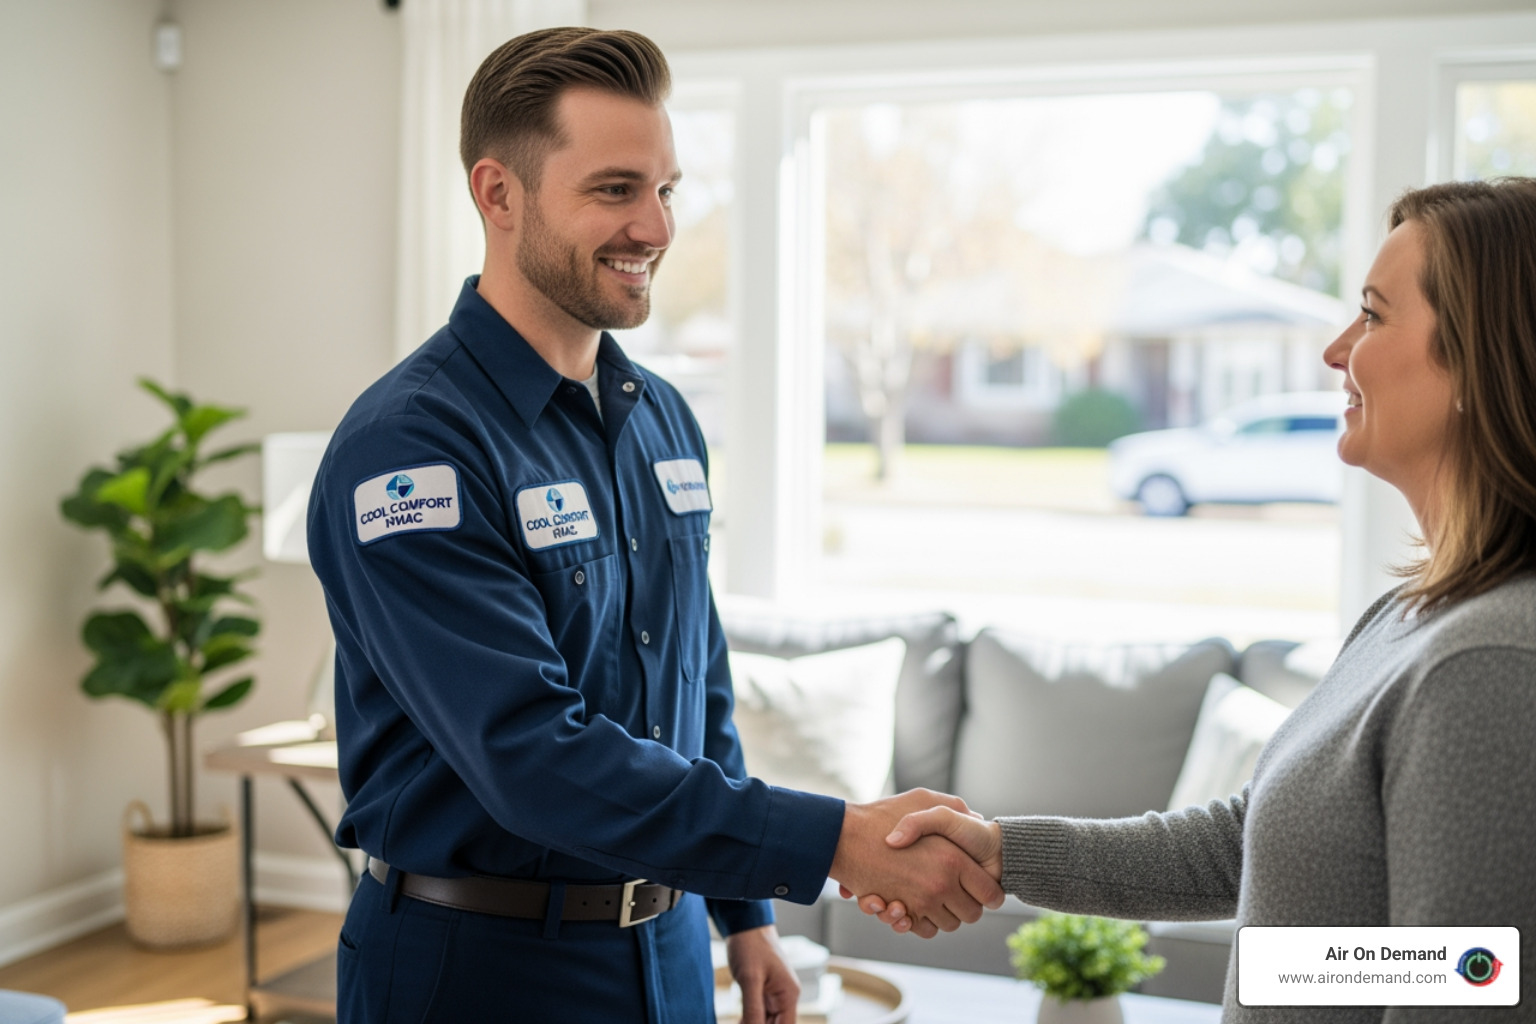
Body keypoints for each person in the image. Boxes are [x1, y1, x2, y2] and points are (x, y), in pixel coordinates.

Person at [306, 26, 1001, 1024]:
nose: (657, 226)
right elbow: (533, 757)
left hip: (671, 951)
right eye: (615, 189)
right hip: (479, 967)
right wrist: (838, 839)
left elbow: (695, 681)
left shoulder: (664, 418)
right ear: (498, 194)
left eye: (667, 188)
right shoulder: (411, 449)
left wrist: (744, 915)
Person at [852, 178, 1536, 1022]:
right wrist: (1000, 852)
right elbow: (1246, 845)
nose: (1336, 350)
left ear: (1482, 359)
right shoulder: (1410, 616)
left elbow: (1473, 981)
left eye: (1372, 315)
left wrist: (1272, 977)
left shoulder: (1490, 662)